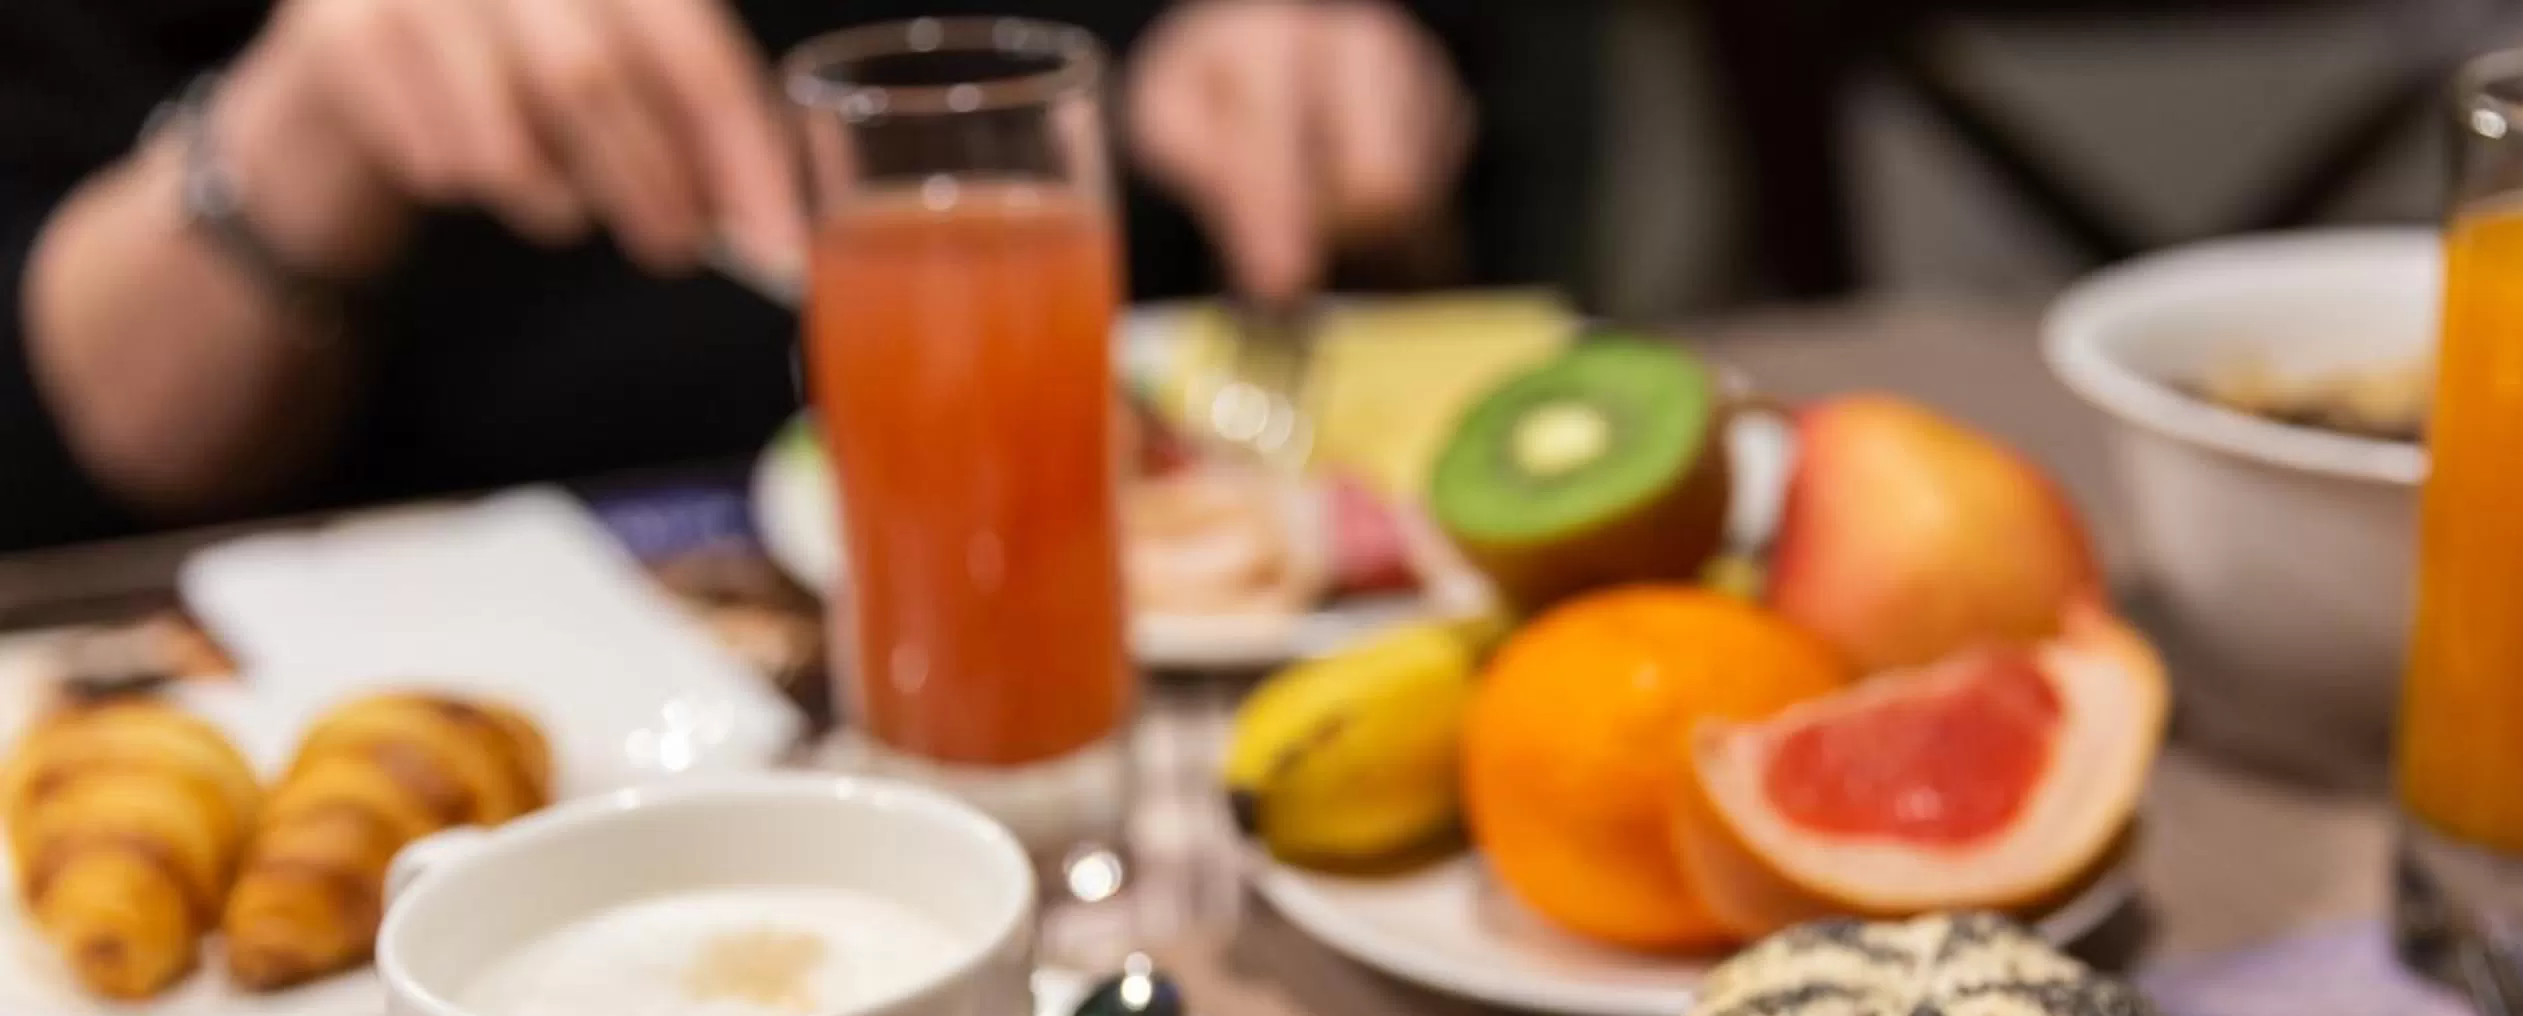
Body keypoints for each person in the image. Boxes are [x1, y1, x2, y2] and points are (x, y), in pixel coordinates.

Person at [0, 0, 1562, 553]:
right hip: (451, 663)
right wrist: (299, 131)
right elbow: (54, 447)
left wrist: (1339, 78)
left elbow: (1470, 207)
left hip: (1168, 733)